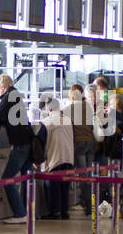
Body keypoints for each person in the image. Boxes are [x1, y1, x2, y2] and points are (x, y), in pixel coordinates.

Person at [0, 73, 33, 224]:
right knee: (26, 177)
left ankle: (20, 213)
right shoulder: (17, 95)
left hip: (20, 143)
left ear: (3, 86)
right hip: (28, 140)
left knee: (7, 178)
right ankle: (28, 211)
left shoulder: (9, 96)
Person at [40, 94, 75, 219]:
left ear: (48, 109)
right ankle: (64, 211)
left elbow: (40, 143)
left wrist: (38, 160)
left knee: (52, 186)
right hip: (68, 156)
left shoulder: (46, 122)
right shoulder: (67, 120)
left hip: (54, 158)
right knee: (64, 186)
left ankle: (54, 212)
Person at [64, 84, 96, 216]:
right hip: (91, 143)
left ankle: (88, 206)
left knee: (83, 176)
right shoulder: (88, 106)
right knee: (90, 175)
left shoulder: (70, 108)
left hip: (80, 144)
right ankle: (92, 203)